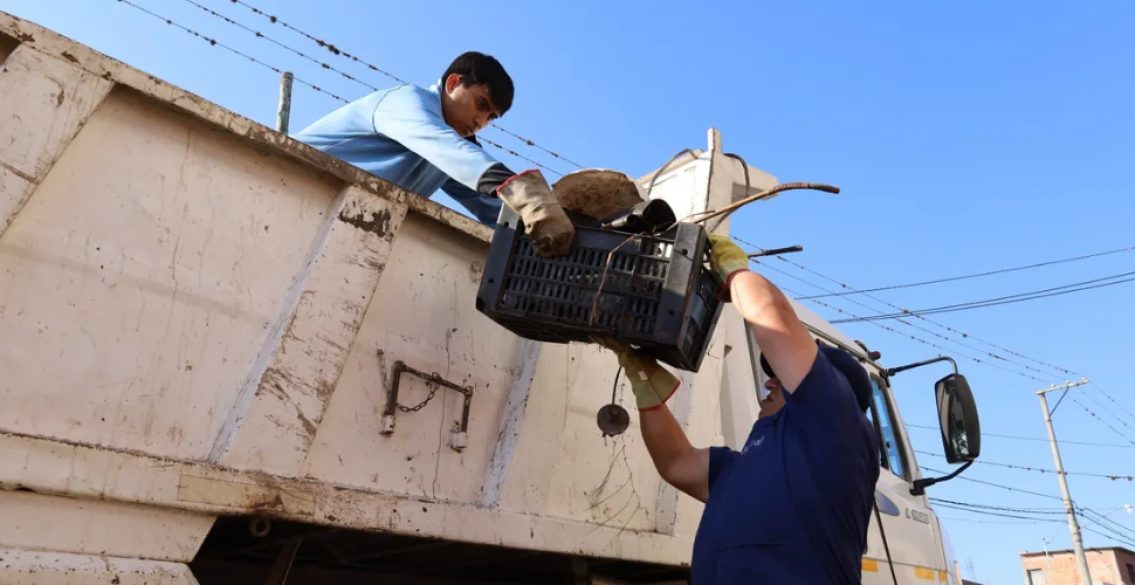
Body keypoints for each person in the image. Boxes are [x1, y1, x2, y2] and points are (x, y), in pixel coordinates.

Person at [596, 234, 880, 585]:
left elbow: (773, 319)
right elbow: (676, 461)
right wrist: (643, 383)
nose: (771, 383)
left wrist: (736, 273)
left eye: (781, 376)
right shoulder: (742, 466)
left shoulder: (838, 426)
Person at [293, 52, 574, 257]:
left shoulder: (455, 148)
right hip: (287, 181)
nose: (481, 122)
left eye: (491, 118)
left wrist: (557, 230)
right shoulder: (406, 102)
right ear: (452, 83)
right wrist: (526, 193)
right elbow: (446, 148)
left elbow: (496, 209)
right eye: (480, 104)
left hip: (330, 217)